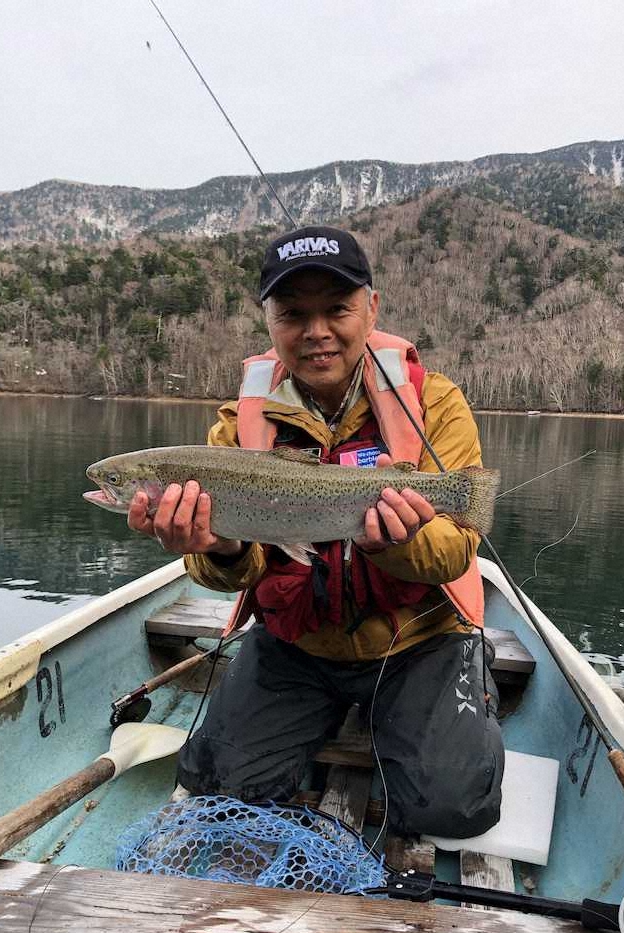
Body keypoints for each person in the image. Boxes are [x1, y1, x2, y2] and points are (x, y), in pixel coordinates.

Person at [128, 225, 504, 837]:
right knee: (220, 790)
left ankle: (470, 677)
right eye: (293, 313)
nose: (316, 330)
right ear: (270, 321)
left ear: (372, 309)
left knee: (453, 810)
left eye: (336, 309)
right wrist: (219, 546)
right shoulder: (236, 426)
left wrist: (400, 543)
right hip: (296, 644)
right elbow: (234, 573)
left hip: (417, 641)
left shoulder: (434, 403)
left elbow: (456, 550)